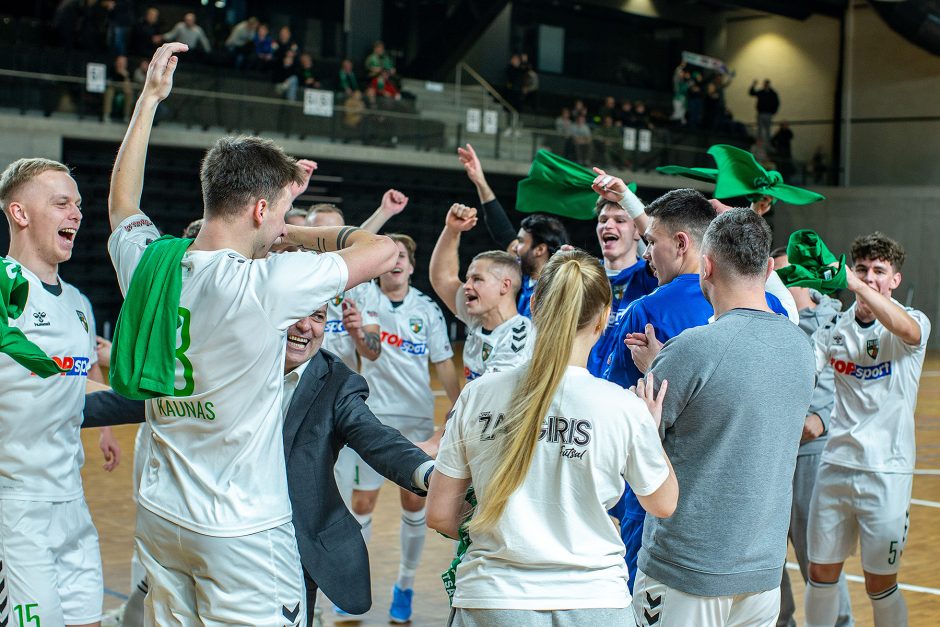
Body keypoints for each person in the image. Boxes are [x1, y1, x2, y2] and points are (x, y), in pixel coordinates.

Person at [106, 43, 398, 624]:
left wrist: (149, 101)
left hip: (162, 517)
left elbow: (121, 205)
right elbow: (384, 250)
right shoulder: (268, 285)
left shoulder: (150, 264)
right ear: (262, 210)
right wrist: (298, 232)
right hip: (241, 530)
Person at [84, 305, 436, 627]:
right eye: (295, 312)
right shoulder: (226, 360)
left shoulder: (336, 383)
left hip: (291, 547)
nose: (305, 326)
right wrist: (49, 407)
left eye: (317, 317)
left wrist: (428, 474)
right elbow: (142, 399)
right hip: (213, 537)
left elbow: (374, 437)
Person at [427, 249, 679, 626]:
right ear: (604, 318)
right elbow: (663, 502)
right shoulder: (622, 408)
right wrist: (650, 429)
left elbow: (441, 515)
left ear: (534, 307)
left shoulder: (479, 394)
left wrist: (502, 527)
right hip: (595, 600)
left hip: (493, 599)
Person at [632, 208, 816, 626]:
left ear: (707, 266)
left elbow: (636, 446)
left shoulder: (692, 348)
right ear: (768, 268)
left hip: (687, 571)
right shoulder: (800, 349)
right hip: (762, 573)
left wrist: (660, 372)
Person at [0, 156, 121, 627]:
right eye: (62, 203)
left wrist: (163, 404)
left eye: (79, 205)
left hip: (72, 499)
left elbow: (75, 382)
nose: (77, 214)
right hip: (16, 506)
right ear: (21, 214)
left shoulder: (78, 304)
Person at [805, 232, 930, 627]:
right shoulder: (832, 329)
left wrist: (855, 285)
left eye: (880, 271)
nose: (870, 277)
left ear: (895, 279)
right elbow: (801, 374)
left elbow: (909, 332)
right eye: (862, 269)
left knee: (880, 584)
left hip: (886, 474)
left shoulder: (912, 323)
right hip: (836, 468)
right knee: (821, 574)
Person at [345, 234, 460, 623]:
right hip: (371, 418)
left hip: (415, 419)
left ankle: (405, 585)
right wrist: (360, 334)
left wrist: (460, 406)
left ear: (411, 266)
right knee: (362, 504)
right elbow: (370, 350)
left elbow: (444, 363)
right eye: (389, 256)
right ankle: (354, 584)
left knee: (415, 502)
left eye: (402, 257)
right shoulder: (366, 301)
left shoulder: (427, 309)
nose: (395, 262)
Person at [770, 249, 853, 627]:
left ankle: (840, 623)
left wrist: (821, 418)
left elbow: (860, 389)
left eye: (791, 275)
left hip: (812, 452)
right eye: (778, 276)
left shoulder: (837, 321)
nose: (786, 283)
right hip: (770, 453)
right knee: (768, 554)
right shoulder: (769, 321)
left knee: (815, 553)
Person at [456, 143, 569, 318]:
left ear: (540, 249)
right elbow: (501, 229)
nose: (515, 246)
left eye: (522, 242)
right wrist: (479, 180)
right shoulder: (524, 277)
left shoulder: (559, 290)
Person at [429, 203, 535, 382]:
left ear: (504, 286)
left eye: (477, 279)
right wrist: (451, 230)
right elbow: (443, 279)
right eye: (468, 278)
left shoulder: (520, 336)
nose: (466, 285)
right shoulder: (479, 320)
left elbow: (491, 398)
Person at [586, 194, 658, 377]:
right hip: (580, 385)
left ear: (637, 232)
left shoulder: (650, 276)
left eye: (619, 220)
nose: (608, 225)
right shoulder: (586, 276)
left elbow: (654, 231)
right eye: (603, 220)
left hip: (622, 392)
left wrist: (623, 193)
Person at [749, 79, 780, 143]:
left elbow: (777, 103)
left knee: (767, 130)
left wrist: (773, 112)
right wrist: (753, 85)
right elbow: (751, 93)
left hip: (768, 113)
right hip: (761, 113)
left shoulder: (773, 93)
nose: (765, 85)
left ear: (769, 84)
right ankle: (760, 144)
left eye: (766, 84)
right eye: (765, 84)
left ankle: (767, 144)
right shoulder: (761, 92)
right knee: (760, 130)